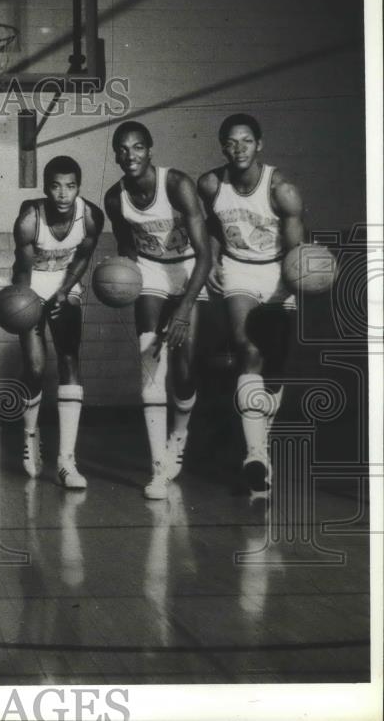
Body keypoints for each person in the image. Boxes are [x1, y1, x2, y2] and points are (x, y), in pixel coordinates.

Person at [103, 121, 211, 500]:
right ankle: (158, 469)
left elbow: (205, 254)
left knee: (183, 371)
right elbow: (127, 249)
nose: (129, 155)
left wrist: (182, 310)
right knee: (150, 360)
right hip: (149, 272)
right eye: (122, 148)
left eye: (136, 147)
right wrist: (118, 281)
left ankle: (178, 435)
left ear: (150, 150)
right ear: (115, 153)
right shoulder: (115, 198)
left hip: (187, 270)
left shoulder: (177, 184)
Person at [198, 113, 304, 496]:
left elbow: (294, 251)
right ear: (222, 146)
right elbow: (211, 225)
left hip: (278, 273)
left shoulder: (282, 189)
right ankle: (255, 455)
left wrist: (291, 286)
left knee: (273, 370)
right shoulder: (211, 184)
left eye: (246, 141)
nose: (238, 148)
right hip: (239, 270)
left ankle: (261, 445)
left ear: (260, 144)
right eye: (231, 141)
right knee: (247, 350)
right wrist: (210, 258)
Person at [12, 156, 104, 486]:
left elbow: (83, 256)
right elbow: (22, 273)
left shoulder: (91, 215)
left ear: (78, 187)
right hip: (30, 286)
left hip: (65, 284)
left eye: (70, 186)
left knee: (68, 357)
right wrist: (29, 302)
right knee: (36, 367)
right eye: (55, 186)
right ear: (46, 188)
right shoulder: (28, 220)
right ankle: (30, 437)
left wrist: (64, 291)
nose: (63, 194)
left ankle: (67, 460)